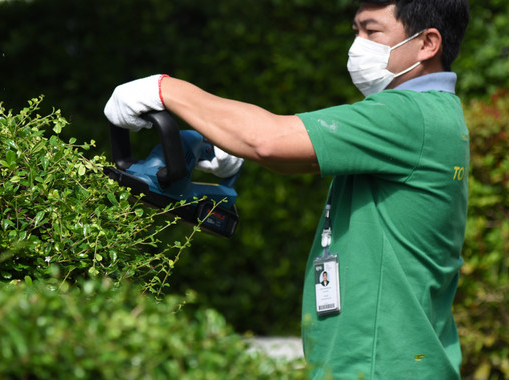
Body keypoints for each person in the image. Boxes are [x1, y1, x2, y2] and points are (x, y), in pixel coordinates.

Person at [104, 0, 471, 378]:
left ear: (428, 43)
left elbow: (269, 139)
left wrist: (164, 89)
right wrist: (229, 144)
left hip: (382, 367)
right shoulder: (434, 115)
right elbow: (290, 155)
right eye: (356, 31)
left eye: (372, 31)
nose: (357, 45)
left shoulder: (409, 114)